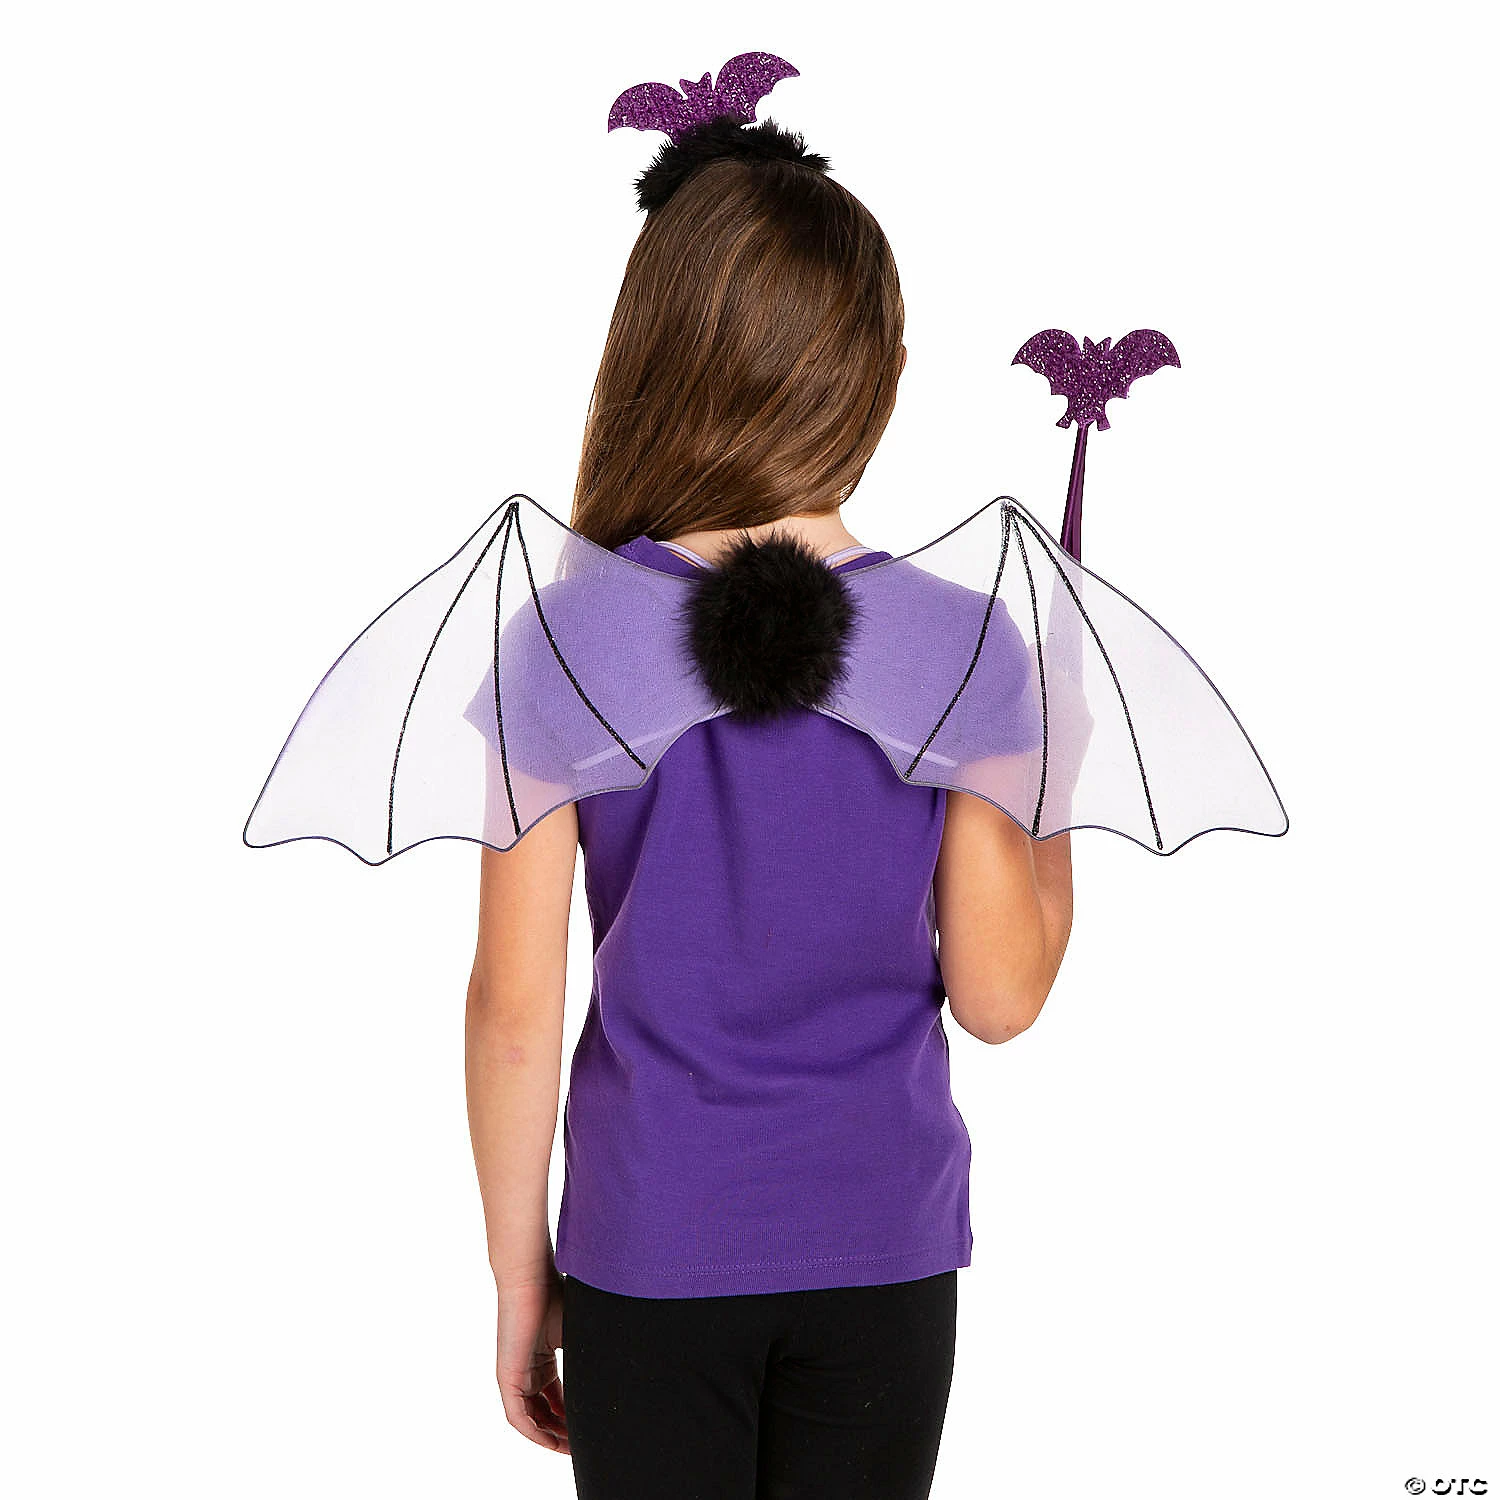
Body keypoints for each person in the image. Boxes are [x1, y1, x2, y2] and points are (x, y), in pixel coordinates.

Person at [461, 102, 1074, 1500]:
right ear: (880, 373)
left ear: (655, 360)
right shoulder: (967, 646)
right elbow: (1000, 997)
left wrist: (520, 1282)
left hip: (648, 1245)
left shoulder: (563, 642)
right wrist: (1055, 805)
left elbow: (514, 1009)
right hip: (882, 1250)